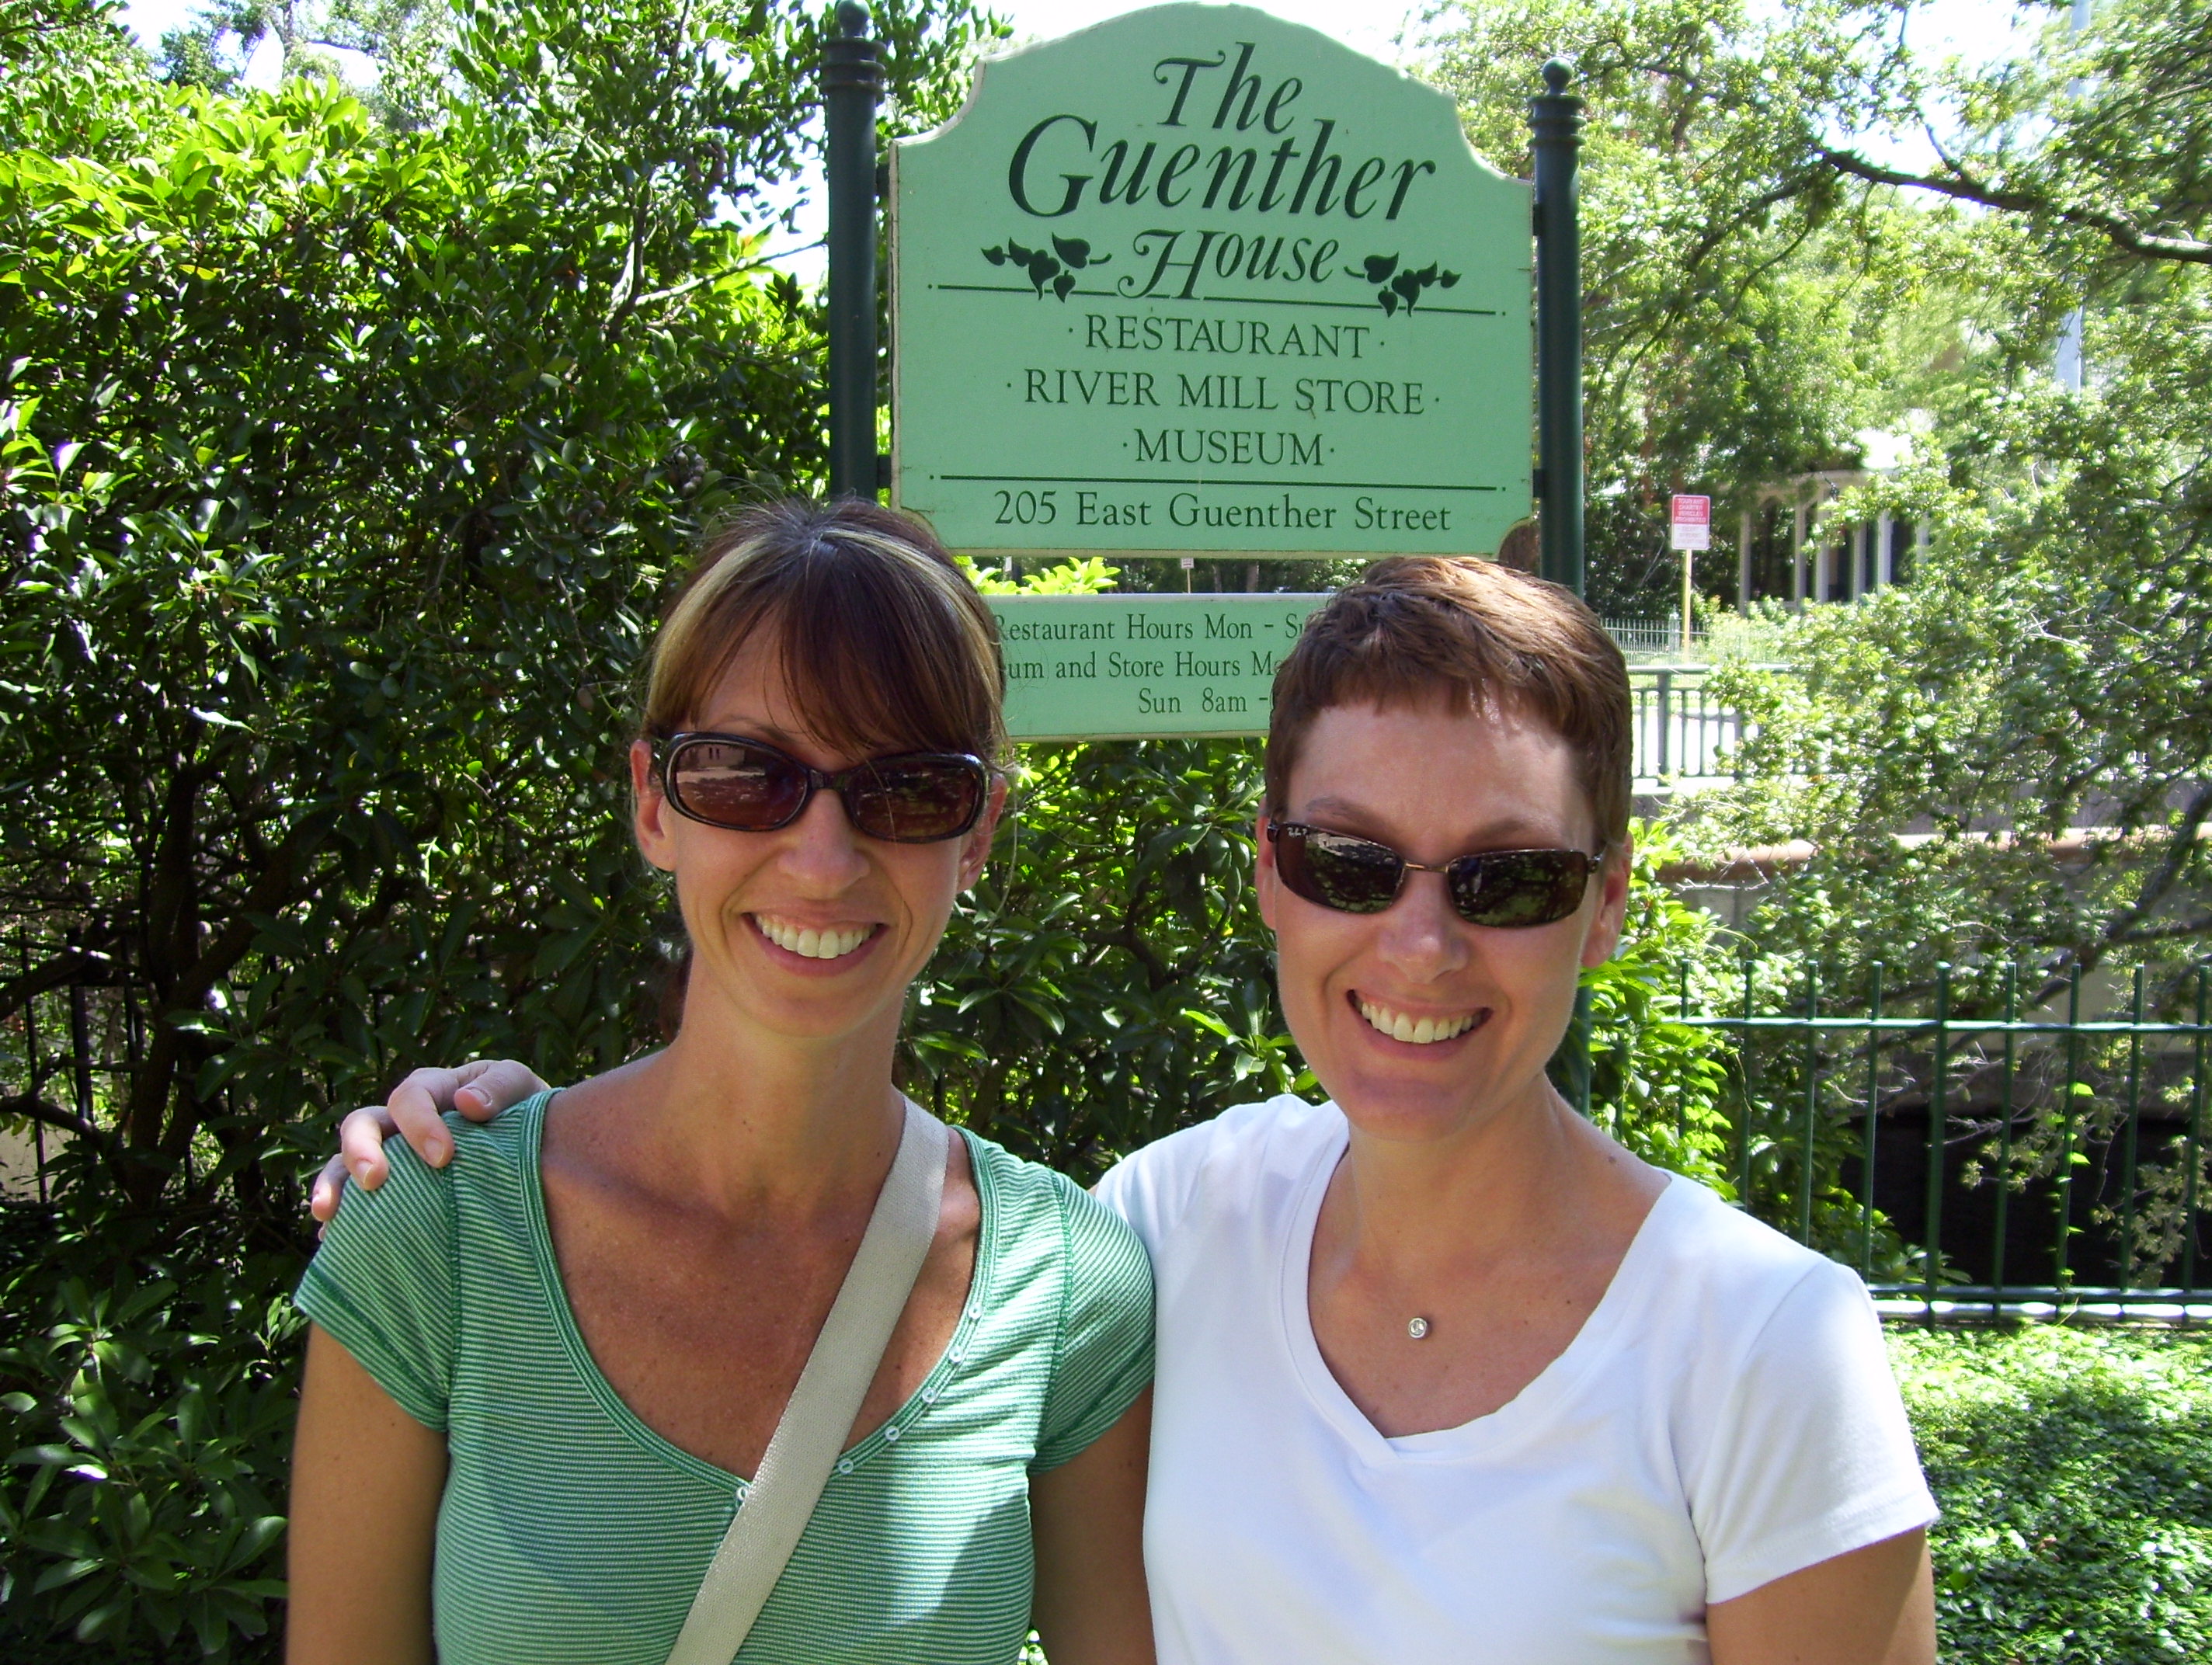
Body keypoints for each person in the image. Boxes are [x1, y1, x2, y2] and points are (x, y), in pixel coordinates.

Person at [319, 555, 1938, 1664]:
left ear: (1607, 902)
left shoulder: (1760, 1344)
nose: (1419, 944)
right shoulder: (1176, 1228)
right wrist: (472, 1138)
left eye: (1505, 878)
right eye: (1349, 863)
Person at [287, 500, 1157, 1665]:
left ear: (979, 833)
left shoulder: (1067, 1288)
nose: (824, 859)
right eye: (748, 775)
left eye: (907, 789)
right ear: (655, 802)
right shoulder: (436, 1231)